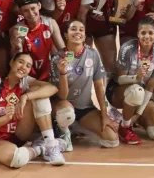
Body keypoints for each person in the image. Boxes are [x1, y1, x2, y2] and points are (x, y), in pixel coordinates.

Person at [0, 52, 64, 167]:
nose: (24, 67)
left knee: (39, 95)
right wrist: (6, 118)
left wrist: (25, 97)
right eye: (21, 62)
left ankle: (51, 144)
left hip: (18, 134)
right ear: (11, 62)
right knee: (16, 159)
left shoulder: (24, 82)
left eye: (28, 66)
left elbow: (52, 88)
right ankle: (40, 148)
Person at [50, 19, 119, 150]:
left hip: (85, 108)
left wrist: (105, 115)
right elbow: (63, 96)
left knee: (112, 140)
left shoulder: (92, 55)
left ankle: (76, 126)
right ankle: (63, 128)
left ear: (85, 35)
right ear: (65, 34)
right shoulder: (57, 58)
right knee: (67, 112)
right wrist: (63, 73)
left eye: (81, 30)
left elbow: (99, 87)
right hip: (63, 105)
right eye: (73, 29)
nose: (77, 32)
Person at [114, 18, 154, 144]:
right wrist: (136, 78)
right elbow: (119, 80)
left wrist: (137, 115)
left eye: (151, 33)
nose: (147, 36)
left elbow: (150, 88)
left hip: (141, 93)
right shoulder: (127, 49)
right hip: (119, 91)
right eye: (143, 33)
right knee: (136, 91)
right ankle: (125, 127)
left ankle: (134, 119)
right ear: (138, 34)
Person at [9, 0, 64, 83]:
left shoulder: (50, 23)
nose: (30, 13)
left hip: (48, 72)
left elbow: (62, 49)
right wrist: (17, 45)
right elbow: (17, 59)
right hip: (27, 74)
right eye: (26, 11)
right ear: (21, 12)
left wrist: (73, 58)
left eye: (33, 8)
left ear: (39, 6)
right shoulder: (18, 29)